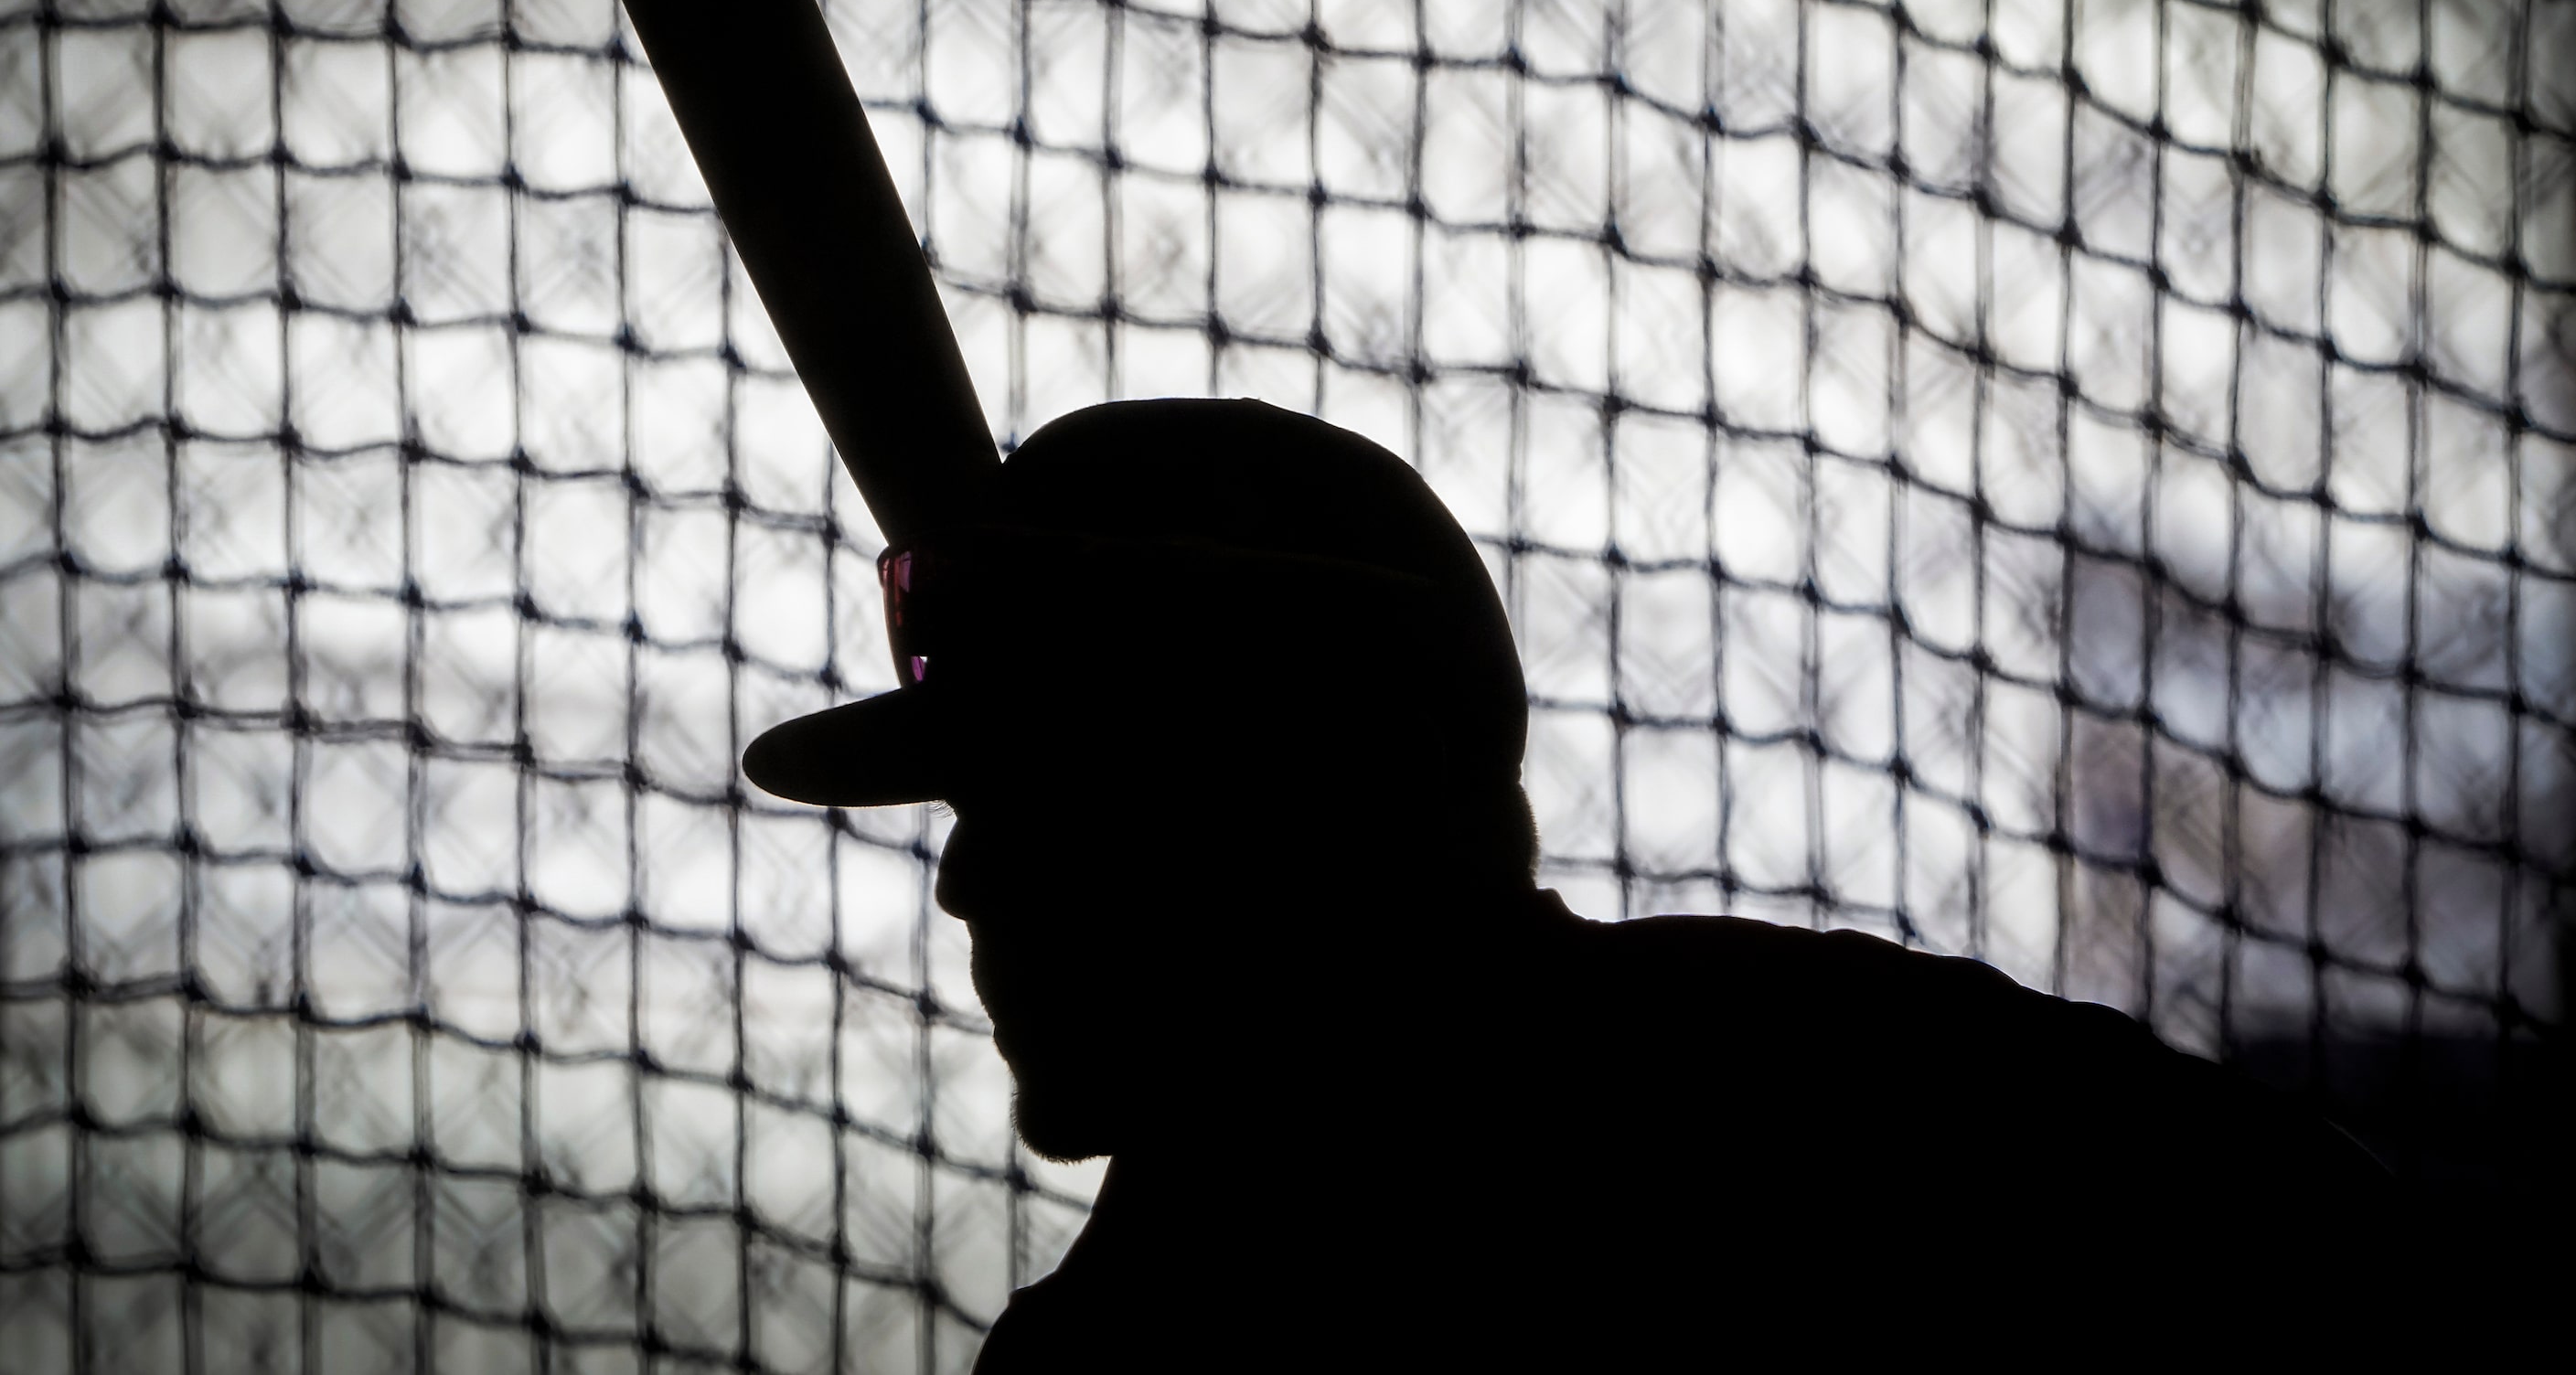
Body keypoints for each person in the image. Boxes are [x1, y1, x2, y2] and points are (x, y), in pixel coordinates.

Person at [745, 398, 2389, 1369]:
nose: (963, 877)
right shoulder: (1851, 1060)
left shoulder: (1853, 1102)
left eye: (1061, 795)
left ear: (1292, 800)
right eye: (973, 798)